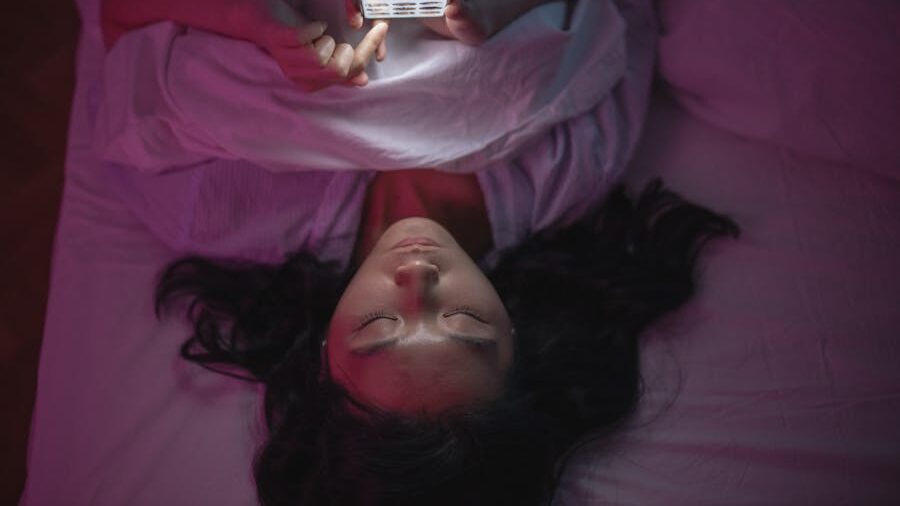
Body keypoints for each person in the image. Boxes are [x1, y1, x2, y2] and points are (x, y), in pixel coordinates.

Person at [102, 0, 739, 504]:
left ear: (325, 356)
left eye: (380, 326)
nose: (417, 278)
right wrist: (502, 10)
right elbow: (623, 13)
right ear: (515, 337)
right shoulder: (571, 167)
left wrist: (251, 20)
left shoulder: (215, 210)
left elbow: (120, 18)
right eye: (463, 323)